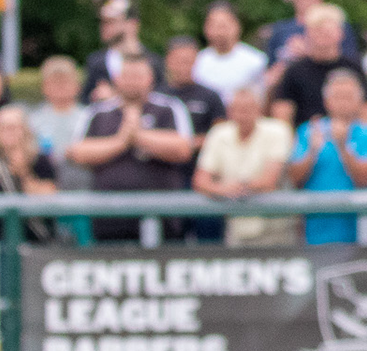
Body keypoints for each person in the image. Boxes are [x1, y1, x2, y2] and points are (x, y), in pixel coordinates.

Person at [69, 59, 193, 242]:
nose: (132, 81)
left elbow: (183, 149)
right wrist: (120, 142)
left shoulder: (169, 107)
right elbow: (77, 152)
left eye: (138, 76)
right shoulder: (97, 112)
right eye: (127, 76)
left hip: (163, 214)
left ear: (150, 79)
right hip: (109, 215)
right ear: (117, 79)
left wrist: (138, 136)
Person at [287, 70, 367, 244]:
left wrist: (342, 146)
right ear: (327, 101)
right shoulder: (309, 131)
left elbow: (365, 178)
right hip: (314, 229)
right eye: (338, 96)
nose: (343, 103)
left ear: (359, 101)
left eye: (348, 97)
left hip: (358, 230)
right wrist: (312, 152)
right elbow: (294, 178)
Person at [194, 86, 296, 246]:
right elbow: (200, 180)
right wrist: (224, 190)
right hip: (236, 229)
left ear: (259, 109)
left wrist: (231, 188)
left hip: (276, 230)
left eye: (247, 109)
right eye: (237, 109)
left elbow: (269, 180)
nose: (242, 115)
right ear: (229, 111)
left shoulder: (277, 130)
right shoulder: (219, 133)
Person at [163, 35, 228, 241]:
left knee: (209, 241)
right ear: (168, 61)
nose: (184, 66)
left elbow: (222, 136)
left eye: (189, 60)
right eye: (179, 60)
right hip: (167, 178)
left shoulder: (210, 96)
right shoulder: (157, 95)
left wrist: (187, 143)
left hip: (204, 178)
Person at [269, 3, 367, 124]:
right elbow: (282, 111)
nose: (324, 34)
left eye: (329, 30)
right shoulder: (294, 71)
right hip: (304, 137)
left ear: (341, 33)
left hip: (349, 138)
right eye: (318, 29)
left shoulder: (354, 68)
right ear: (307, 33)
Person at [264, 0, 362, 71]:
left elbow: (350, 74)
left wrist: (312, 52)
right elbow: (267, 81)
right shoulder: (279, 31)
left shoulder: (339, 28)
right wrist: (288, 58)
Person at [0, 105, 59, 241]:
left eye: (13, 127)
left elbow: (50, 196)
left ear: (25, 129)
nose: (7, 132)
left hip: (35, 238)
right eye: (2, 127)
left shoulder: (39, 159)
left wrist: (23, 174)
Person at [81, 0, 164, 104]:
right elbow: (83, 101)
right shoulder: (95, 62)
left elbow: (162, 98)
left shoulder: (153, 61)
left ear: (132, 24)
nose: (104, 26)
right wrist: (95, 97)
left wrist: (117, 97)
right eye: (103, 21)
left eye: (111, 21)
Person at [28, 56, 93, 193]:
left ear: (77, 86)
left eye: (65, 81)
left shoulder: (90, 116)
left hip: (83, 185)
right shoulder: (32, 120)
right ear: (44, 87)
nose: (60, 87)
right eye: (55, 82)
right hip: (44, 186)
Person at [192, 0, 267, 102]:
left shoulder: (255, 60)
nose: (219, 32)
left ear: (237, 26)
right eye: (213, 25)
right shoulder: (197, 61)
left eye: (223, 25)